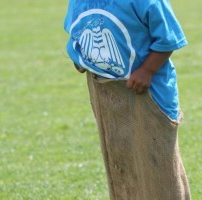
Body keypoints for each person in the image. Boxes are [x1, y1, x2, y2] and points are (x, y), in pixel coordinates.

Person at [64, 0, 191, 199]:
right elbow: (76, 31)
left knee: (157, 166)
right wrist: (80, 58)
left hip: (148, 93)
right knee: (121, 163)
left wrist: (147, 70)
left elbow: (167, 38)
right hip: (106, 93)